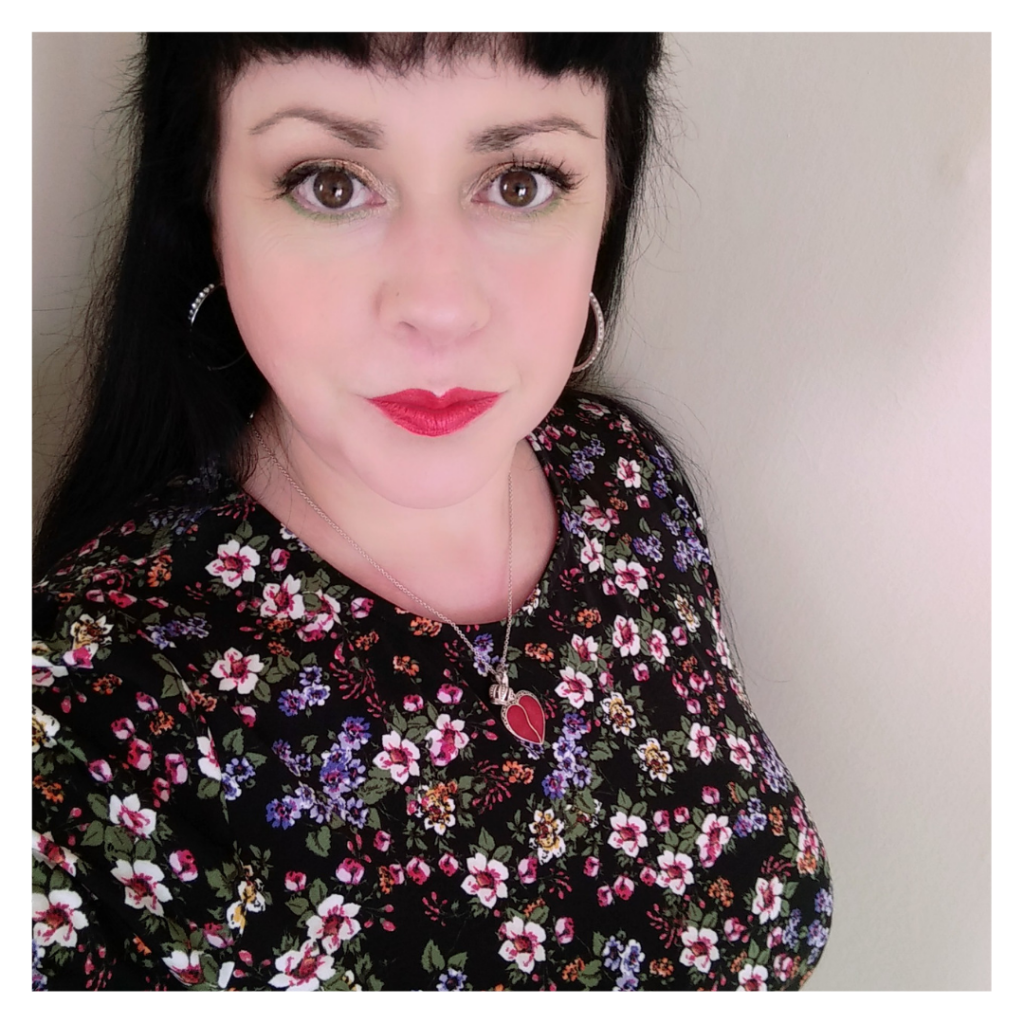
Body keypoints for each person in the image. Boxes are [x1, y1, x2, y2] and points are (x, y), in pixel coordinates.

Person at [31, 32, 832, 991]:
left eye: (522, 183)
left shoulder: (623, 476)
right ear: (209, 211)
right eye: (331, 184)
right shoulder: (70, 726)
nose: (440, 307)